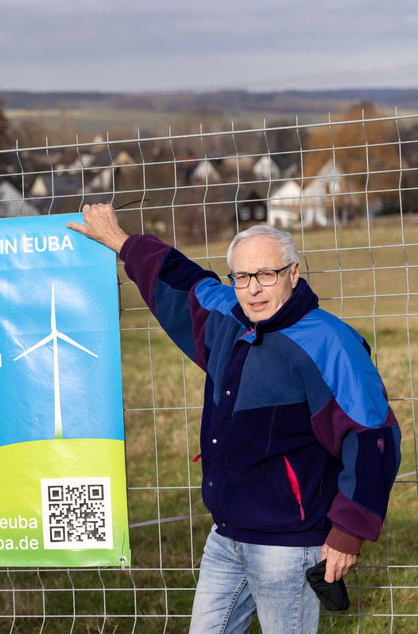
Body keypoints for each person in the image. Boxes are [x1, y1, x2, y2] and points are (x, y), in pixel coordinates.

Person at [68, 203, 401, 633]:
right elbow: (181, 281)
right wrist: (119, 240)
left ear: (293, 274)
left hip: (288, 542)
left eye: (267, 274)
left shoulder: (329, 343)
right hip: (226, 535)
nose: (254, 289)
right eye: (242, 277)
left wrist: (348, 531)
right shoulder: (229, 319)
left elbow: (373, 436)